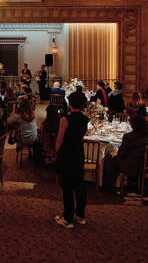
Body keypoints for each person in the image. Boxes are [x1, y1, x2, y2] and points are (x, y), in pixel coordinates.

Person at [54, 93, 89, 229]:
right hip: (78, 153)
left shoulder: (65, 119)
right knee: (79, 185)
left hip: (67, 154)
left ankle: (68, 219)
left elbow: (60, 140)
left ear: (70, 104)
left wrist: (57, 150)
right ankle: (80, 215)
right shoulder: (85, 119)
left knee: (67, 187)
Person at [102, 115, 148, 194]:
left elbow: (121, 154)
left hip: (135, 168)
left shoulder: (129, 137)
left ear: (133, 125)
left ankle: (108, 187)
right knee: (115, 158)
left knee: (109, 158)